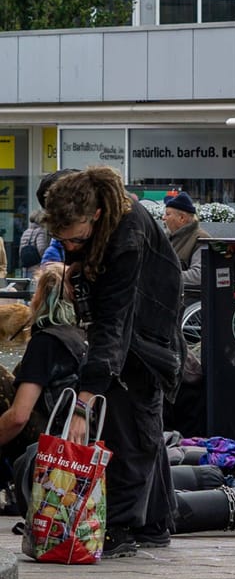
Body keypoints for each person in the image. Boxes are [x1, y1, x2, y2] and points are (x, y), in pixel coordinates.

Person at [41, 166, 182, 557]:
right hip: (139, 337)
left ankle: (120, 526)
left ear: (97, 216)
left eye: (75, 239)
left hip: (144, 342)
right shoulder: (92, 203)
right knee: (139, 428)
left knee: (131, 431)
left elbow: (113, 323)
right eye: (61, 239)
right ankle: (154, 522)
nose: (68, 246)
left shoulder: (128, 237)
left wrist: (85, 399)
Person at [0, 263, 86, 461]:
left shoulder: (46, 342)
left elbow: (19, 417)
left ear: (41, 297)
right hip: (73, 435)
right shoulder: (82, 336)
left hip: (49, 441)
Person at [163, 192, 211, 291]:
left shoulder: (200, 239)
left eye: (168, 214)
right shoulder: (166, 237)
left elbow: (198, 275)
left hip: (185, 300)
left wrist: (163, 276)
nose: (163, 218)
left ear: (182, 218)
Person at [18, 210, 50, 276]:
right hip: (36, 267)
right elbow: (41, 248)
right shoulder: (40, 231)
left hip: (26, 267)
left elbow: (21, 250)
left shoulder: (26, 232)